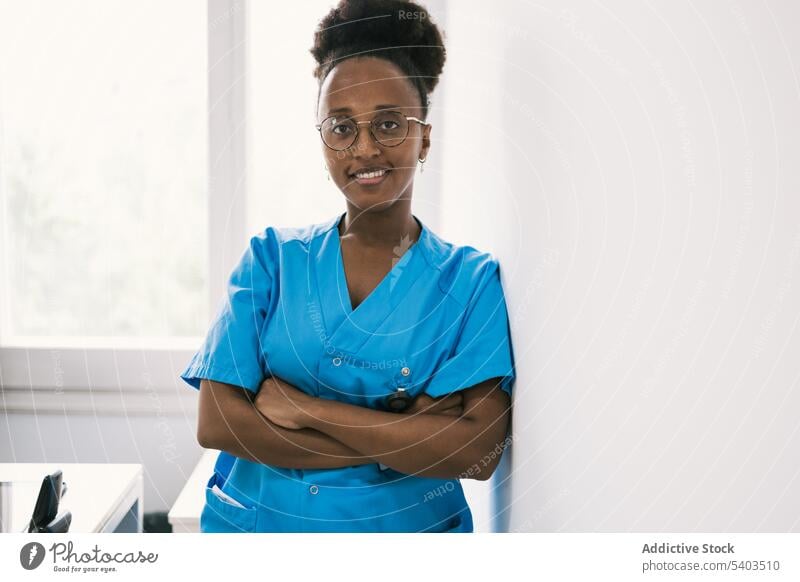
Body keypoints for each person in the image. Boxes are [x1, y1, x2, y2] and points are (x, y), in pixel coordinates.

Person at [180, 0, 516, 533]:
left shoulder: (469, 282)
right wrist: (404, 434)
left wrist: (307, 410)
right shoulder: (271, 260)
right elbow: (218, 422)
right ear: (323, 140)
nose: (364, 149)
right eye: (341, 127)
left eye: (388, 124)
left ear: (424, 137)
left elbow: (475, 450)